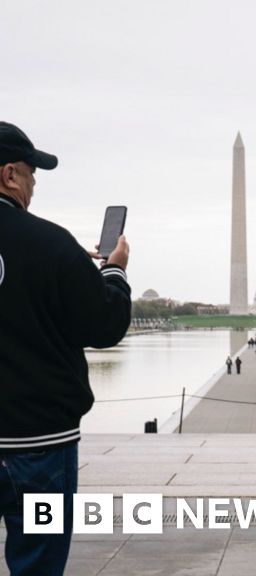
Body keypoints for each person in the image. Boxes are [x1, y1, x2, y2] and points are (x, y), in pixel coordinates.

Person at [0, 121, 131, 575]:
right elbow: (104, 325)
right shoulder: (51, 244)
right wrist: (114, 271)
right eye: (33, 173)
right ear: (9, 175)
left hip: (37, 440)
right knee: (38, 564)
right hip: (39, 444)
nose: (35, 185)